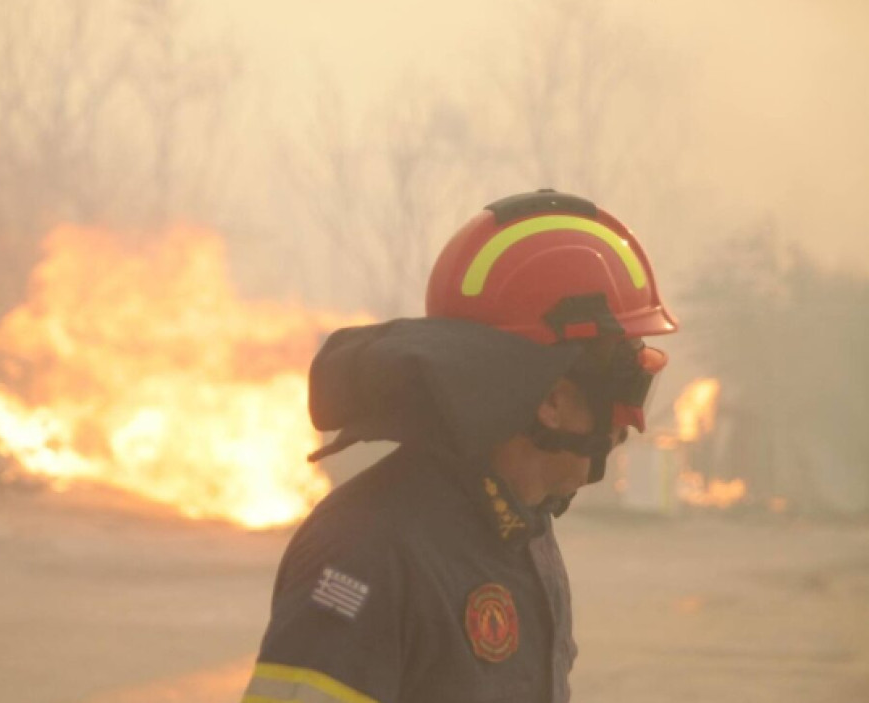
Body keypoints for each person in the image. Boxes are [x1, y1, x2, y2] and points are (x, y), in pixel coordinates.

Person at [241, 190, 677, 703]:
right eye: (625, 381)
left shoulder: (522, 527)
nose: (631, 419)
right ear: (553, 400)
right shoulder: (366, 551)